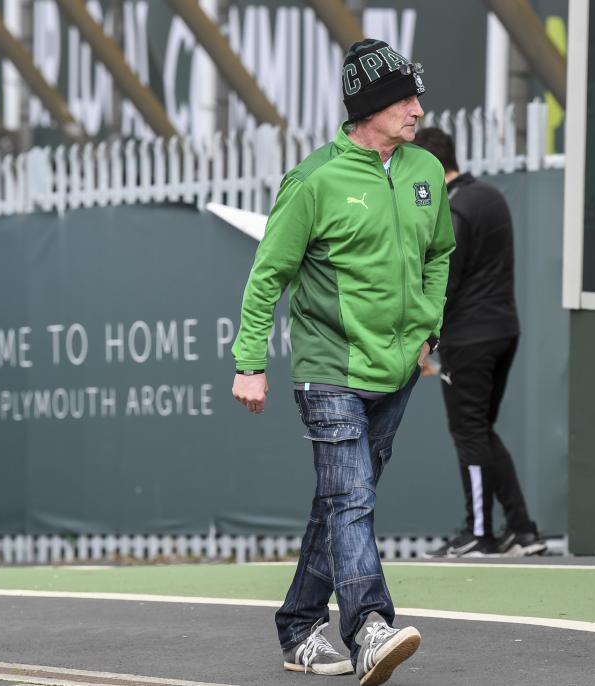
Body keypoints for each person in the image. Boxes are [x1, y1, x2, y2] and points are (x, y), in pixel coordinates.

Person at [230, 39, 455, 686]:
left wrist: (427, 332)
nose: (418, 109)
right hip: (329, 366)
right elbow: (267, 275)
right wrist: (251, 362)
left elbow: (439, 253)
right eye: (405, 100)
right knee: (351, 498)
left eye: (416, 97)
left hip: (398, 368)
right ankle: (369, 629)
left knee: (341, 501)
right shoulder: (314, 181)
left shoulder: (424, 172)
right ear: (370, 110)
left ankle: (300, 625)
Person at [412, 127, 547, 558]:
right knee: (482, 431)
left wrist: (423, 341)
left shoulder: (452, 210)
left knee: (468, 432)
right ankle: (523, 531)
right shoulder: (490, 196)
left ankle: (479, 532)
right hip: (505, 331)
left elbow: (442, 285)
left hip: (468, 339)